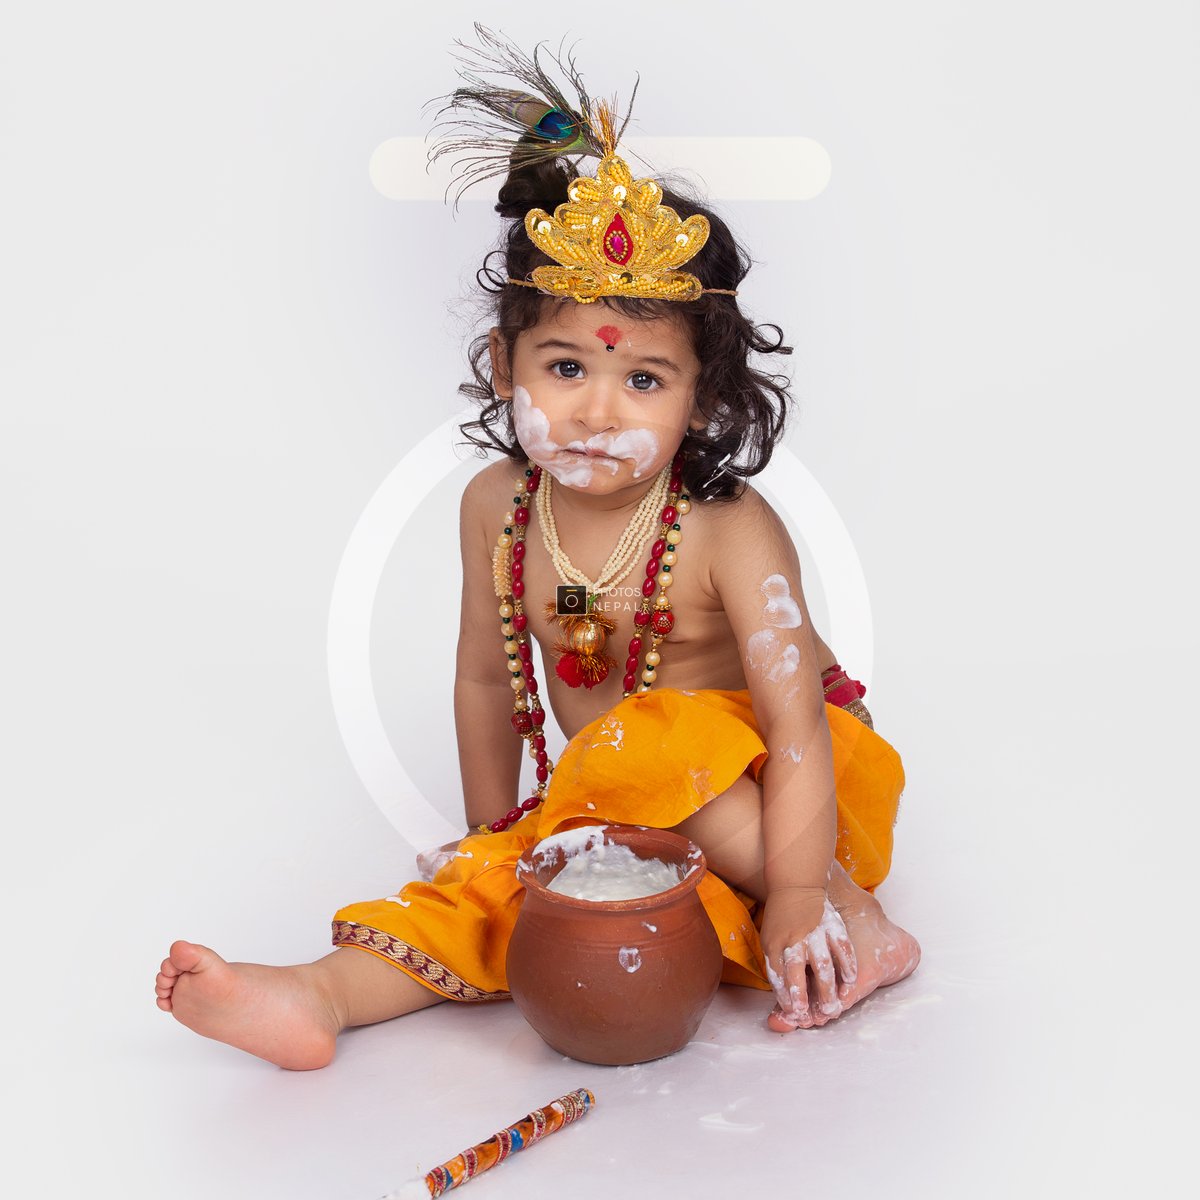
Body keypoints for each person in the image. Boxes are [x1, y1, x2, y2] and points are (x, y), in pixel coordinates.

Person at [154, 37, 920, 1071]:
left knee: (639, 738)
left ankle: (853, 922)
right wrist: (489, 831)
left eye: (645, 382)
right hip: (629, 814)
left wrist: (796, 892)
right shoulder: (495, 507)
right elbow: (483, 674)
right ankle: (318, 997)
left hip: (805, 806)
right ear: (501, 363)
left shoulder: (727, 526)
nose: (598, 408)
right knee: (503, 892)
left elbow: (796, 729)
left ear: (704, 399)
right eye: (564, 366)